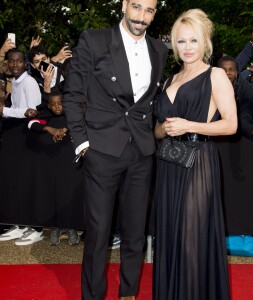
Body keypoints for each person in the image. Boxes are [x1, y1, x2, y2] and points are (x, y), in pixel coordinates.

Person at [62, 0, 168, 299]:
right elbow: (72, 95)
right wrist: (83, 144)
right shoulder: (95, 40)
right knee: (98, 234)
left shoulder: (160, 50)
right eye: (136, 7)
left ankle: (128, 294)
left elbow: (150, 102)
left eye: (149, 10)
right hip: (102, 151)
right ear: (124, 5)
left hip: (142, 152)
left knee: (135, 233)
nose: (141, 17)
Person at [153, 9, 237, 300]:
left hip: (199, 162)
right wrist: (164, 128)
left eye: (193, 41)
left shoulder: (215, 75)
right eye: (181, 41)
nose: (187, 47)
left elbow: (231, 124)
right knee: (169, 237)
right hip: (169, 163)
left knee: (192, 238)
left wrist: (190, 124)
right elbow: (157, 131)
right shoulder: (168, 81)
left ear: (205, 43)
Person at [27, 90, 83, 246]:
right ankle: (55, 227)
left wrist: (65, 129)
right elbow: (32, 124)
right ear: (48, 105)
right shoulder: (46, 116)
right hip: (52, 161)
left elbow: (79, 122)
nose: (57, 107)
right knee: (53, 193)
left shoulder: (73, 113)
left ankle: (71, 227)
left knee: (68, 193)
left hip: (70, 160)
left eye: (60, 103)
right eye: (53, 104)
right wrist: (50, 129)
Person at [0, 48, 43, 245]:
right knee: (17, 181)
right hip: (17, 134)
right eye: (11, 61)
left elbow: (32, 111)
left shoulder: (29, 82)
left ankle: (36, 228)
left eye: (18, 61)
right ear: (7, 63)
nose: (15, 65)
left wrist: (4, 109)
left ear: (25, 63)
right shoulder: (15, 83)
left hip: (29, 135)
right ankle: (21, 224)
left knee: (28, 182)